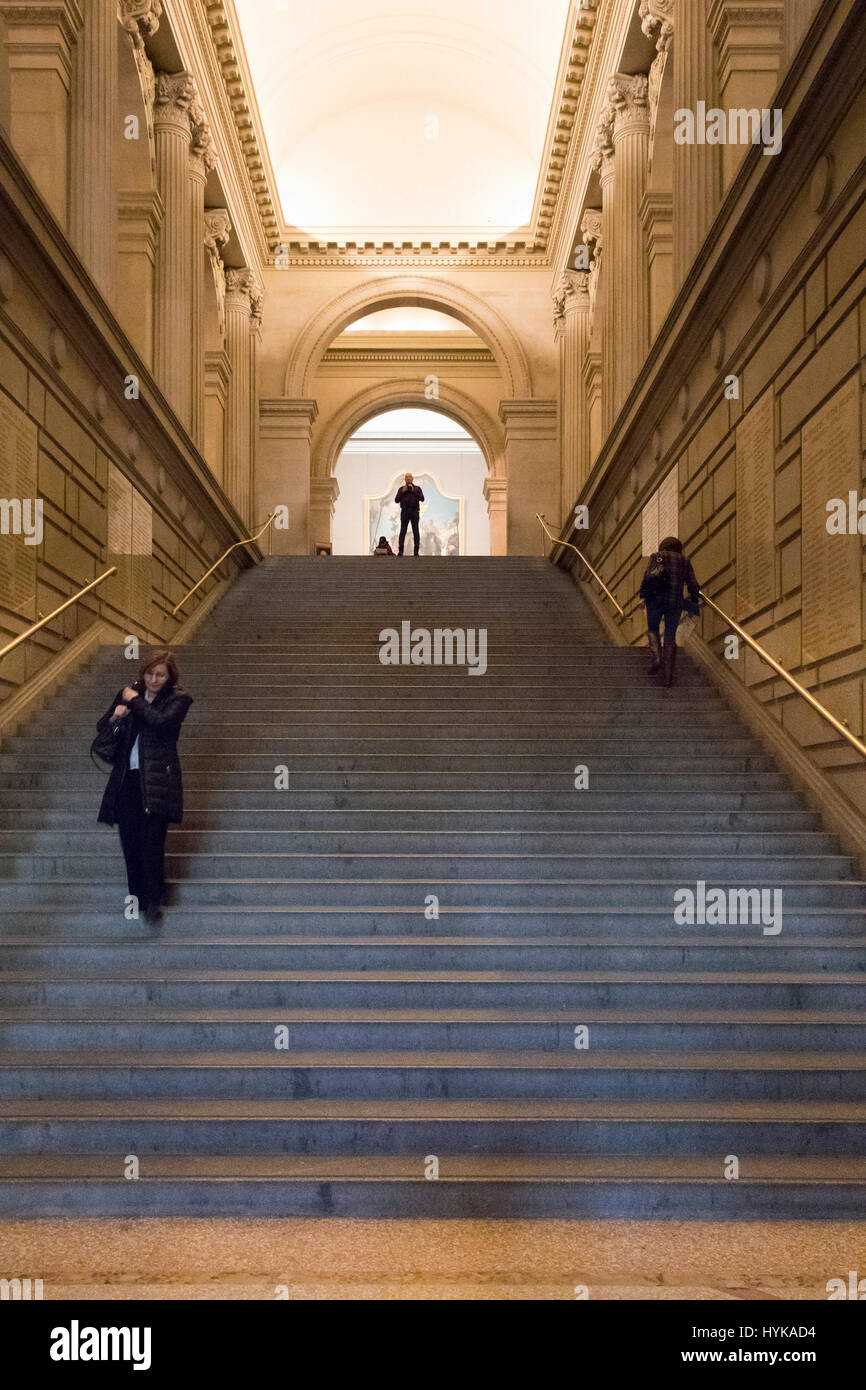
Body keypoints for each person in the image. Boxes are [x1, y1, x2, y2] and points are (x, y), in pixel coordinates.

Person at [95, 650, 193, 924]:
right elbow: (102, 726)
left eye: (160, 674)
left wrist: (134, 701)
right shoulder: (127, 694)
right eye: (149, 673)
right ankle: (136, 896)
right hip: (127, 779)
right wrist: (116, 716)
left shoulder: (179, 699)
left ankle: (153, 900)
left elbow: (160, 723)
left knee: (152, 842)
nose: (153, 679)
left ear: (170, 676)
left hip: (158, 781)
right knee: (130, 841)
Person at [639, 536, 700, 687]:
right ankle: (668, 678)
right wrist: (694, 599)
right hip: (675, 603)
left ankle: (657, 658)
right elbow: (692, 583)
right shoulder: (684, 561)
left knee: (653, 629)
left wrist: (643, 597)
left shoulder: (657, 556)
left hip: (655, 601)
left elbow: (648, 577)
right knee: (670, 636)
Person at [394, 471, 424, 555]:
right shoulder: (401, 489)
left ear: (412, 479)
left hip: (414, 512)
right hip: (405, 512)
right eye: (406, 477)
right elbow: (396, 500)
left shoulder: (417, 488)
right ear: (404, 479)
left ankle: (416, 551)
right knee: (403, 531)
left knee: (416, 531)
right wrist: (402, 491)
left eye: (409, 477)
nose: (408, 478)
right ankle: (400, 551)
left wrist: (413, 490)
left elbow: (422, 499)